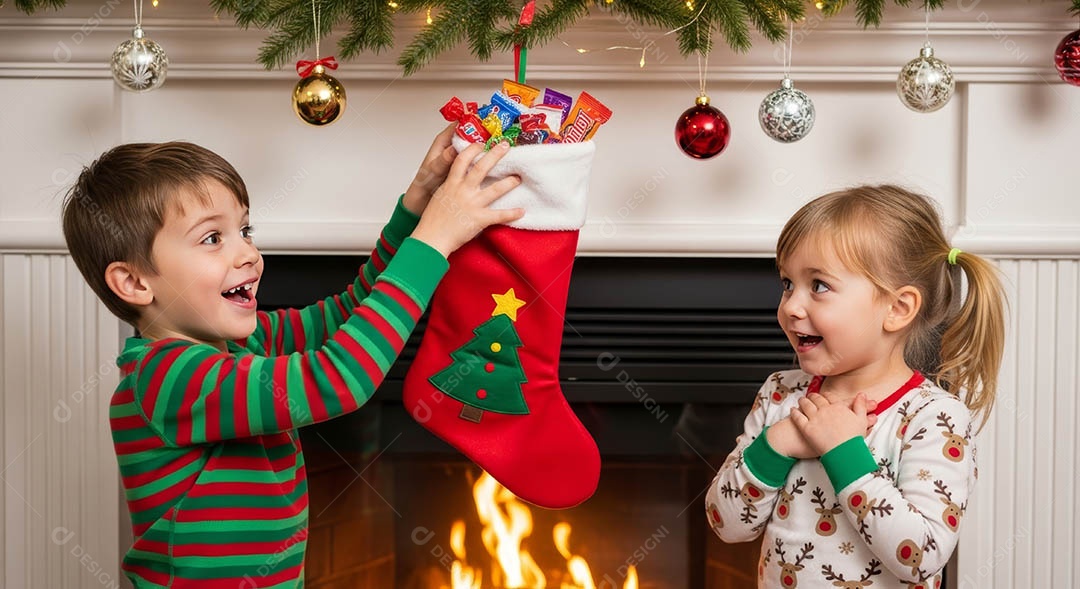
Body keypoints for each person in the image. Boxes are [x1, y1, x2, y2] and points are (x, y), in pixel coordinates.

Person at [60, 126, 522, 588]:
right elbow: (337, 380)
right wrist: (433, 243)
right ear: (136, 283)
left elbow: (352, 311)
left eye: (244, 229)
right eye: (211, 239)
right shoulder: (166, 378)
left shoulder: (244, 346)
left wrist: (418, 206)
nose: (248, 253)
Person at [705, 185, 1006, 588]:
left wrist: (844, 454)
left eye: (819, 286)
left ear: (897, 309)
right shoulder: (781, 394)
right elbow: (726, 524)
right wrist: (776, 443)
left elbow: (921, 557)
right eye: (787, 283)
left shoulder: (933, 418)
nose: (791, 306)